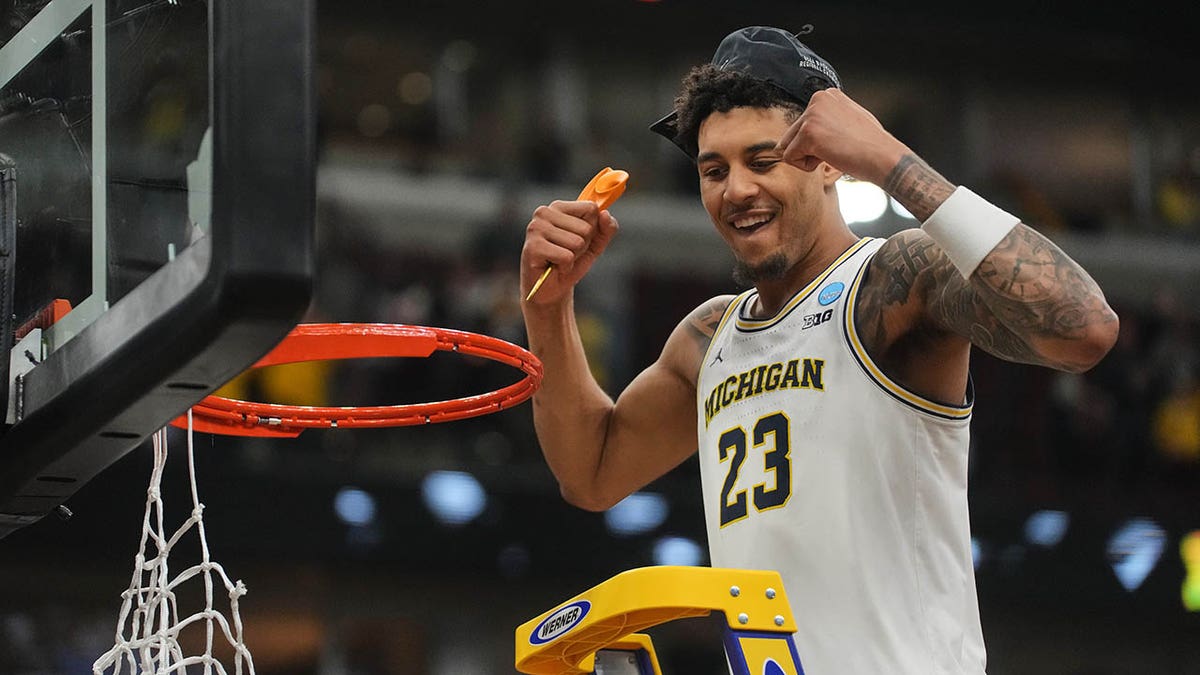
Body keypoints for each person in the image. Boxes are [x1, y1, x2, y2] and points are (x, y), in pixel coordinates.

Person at [518, 25, 1118, 675]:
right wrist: (548, 306)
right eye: (714, 170)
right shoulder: (707, 336)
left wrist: (889, 160)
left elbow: (1084, 328)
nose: (735, 189)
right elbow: (591, 473)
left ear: (830, 160)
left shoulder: (891, 280)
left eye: (763, 160)